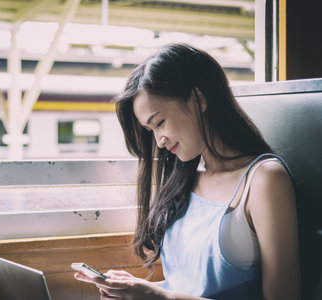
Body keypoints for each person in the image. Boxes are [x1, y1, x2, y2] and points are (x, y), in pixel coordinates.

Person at [73, 44, 300, 300]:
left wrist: (160, 298)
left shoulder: (264, 180)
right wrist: (141, 290)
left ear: (199, 100)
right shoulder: (187, 179)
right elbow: (188, 286)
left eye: (159, 123)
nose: (159, 141)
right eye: (151, 130)